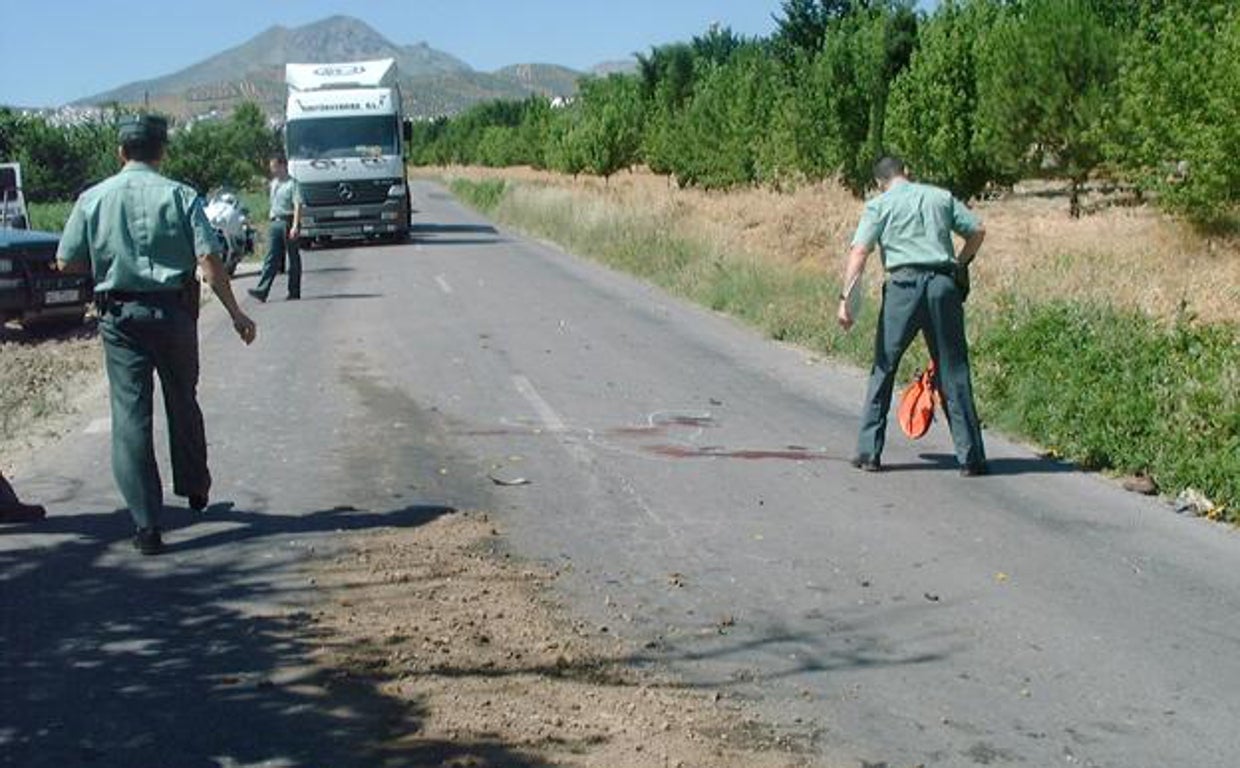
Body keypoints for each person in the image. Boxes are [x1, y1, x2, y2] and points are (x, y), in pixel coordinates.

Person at [56, 114, 257, 555]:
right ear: (162, 152)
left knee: (130, 415)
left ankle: (146, 524)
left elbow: (66, 261)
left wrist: (110, 260)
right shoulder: (181, 195)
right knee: (183, 398)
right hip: (174, 312)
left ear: (121, 152)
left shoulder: (93, 198)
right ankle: (195, 484)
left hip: (119, 316)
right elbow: (209, 261)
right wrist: (237, 314)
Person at [837, 156, 987, 476]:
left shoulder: (878, 206)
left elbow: (860, 252)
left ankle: (868, 453)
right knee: (953, 369)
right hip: (942, 286)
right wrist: (959, 265)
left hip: (903, 288)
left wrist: (845, 300)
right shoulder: (940, 197)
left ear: (880, 182)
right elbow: (977, 231)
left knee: (884, 367)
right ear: (907, 171)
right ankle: (971, 458)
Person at [248, 154, 302, 302]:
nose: (273, 170)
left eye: (275, 167)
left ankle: (294, 291)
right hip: (275, 221)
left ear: (283, 166)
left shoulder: (293, 184)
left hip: (288, 221)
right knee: (271, 257)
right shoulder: (273, 184)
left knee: (293, 257)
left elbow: (297, 205)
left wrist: (295, 225)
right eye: (272, 167)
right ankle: (262, 290)